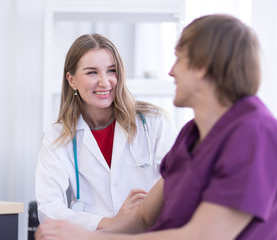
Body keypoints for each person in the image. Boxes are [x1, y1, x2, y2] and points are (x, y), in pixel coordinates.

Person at [35, 14, 277, 240]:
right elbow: (145, 217)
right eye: (92, 72)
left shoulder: (256, 134)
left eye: (179, 59)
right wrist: (83, 232)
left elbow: (201, 236)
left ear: (202, 68)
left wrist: (90, 238)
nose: (170, 72)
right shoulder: (192, 135)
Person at [35, 33, 177, 231]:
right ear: (72, 80)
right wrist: (111, 223)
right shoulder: (58, 137)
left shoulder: (154, 123)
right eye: (92, 72)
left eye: (111, 71)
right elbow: (49, 209)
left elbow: (176, 186)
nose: (104, 82)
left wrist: (136, 220)